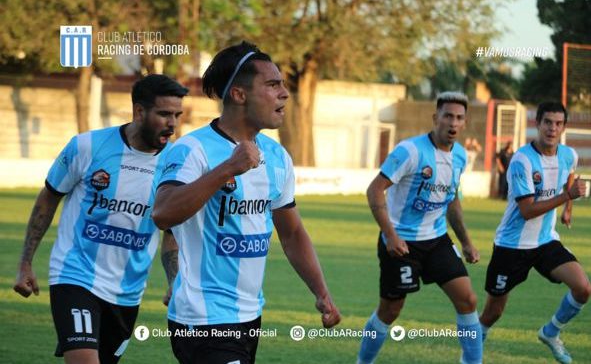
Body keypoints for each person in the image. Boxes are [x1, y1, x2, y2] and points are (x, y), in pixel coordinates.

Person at [152, 41, 341, 364]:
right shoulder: (192, 150)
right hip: (202, 318)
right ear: (239, 94)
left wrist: (321, 292)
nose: (284, 93)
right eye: (272, 84)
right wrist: (228, 168)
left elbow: (292, 233)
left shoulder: (278, 156)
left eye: (282, 84)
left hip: (249, 315)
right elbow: (163, 213)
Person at [13, 74, 188, 364]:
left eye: (177, 115)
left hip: (128, 291)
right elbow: (49, 197)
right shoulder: (87, 147)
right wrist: (25, 263)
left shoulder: (177, 163)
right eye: (164, 114)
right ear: (140, 111)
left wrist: (175, 280)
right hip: (75, 275)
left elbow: (170, 230)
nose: (172, 123)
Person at [357, 92, 482, 364]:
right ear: (435, 118)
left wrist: (466, 242)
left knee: (468, 300)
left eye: (459, 118)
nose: (453, 123)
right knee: (390, 310)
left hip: (437, 240)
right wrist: (390, 235)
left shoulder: (460, 156)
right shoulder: (410, 151)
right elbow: (375, 190)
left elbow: (452, 200)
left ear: (464, 123)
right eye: (448, 116)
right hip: (401, 243)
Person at [479, 102, 589, 364]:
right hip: (511, 246)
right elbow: (528, 210)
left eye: (558, 123)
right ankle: (472, 352)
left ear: (564, 127)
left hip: (544, 241)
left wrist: (568, 210)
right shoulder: (522, 160)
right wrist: (566, 197)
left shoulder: (568, 154)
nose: (553, 128)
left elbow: (570, 178)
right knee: (493, 312)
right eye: (547, 122)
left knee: (583, 288)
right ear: (537, 124)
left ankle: (550, 333)